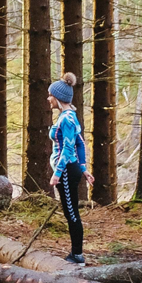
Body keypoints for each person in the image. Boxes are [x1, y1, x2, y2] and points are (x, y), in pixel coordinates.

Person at [47, 72, 94, 266]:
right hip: (71, 169)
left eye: (50, 95)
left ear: (58, 98)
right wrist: (84, 168)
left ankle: (77, 256)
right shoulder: (71, 116)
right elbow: (80, 143)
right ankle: (76, 254)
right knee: (71, 211)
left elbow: (68, 147)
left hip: (66, 170)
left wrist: (57, 174)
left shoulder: (65, 119)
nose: (48, 98)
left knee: (71, 213)